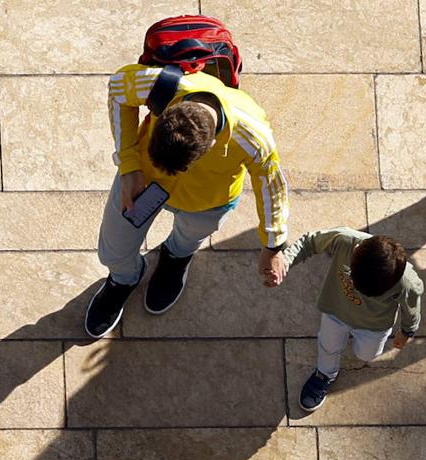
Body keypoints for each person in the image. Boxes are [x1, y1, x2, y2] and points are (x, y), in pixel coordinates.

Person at [86, 61, 291, 339]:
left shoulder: (253, 136)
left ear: (210, 147)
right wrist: (129, 164)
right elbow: (118, 88)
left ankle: (175, 257)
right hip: (142, 182)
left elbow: (272, 187)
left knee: (187, 239)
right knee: (112, 250)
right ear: (167, 109)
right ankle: (125, 277)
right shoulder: (163, 86)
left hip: (207, 202)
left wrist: (273, 245)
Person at [281, 229, 423, 412]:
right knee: (328, 345)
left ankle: (359, 348)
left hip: (374, 326)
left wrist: (407, 331)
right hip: (335, 310)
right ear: (356, 249)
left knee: (366, 355)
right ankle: (325, 374)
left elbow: (411, 308)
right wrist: (284, 261)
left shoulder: (408, 283)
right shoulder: (345, 240)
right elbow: (310, 242)